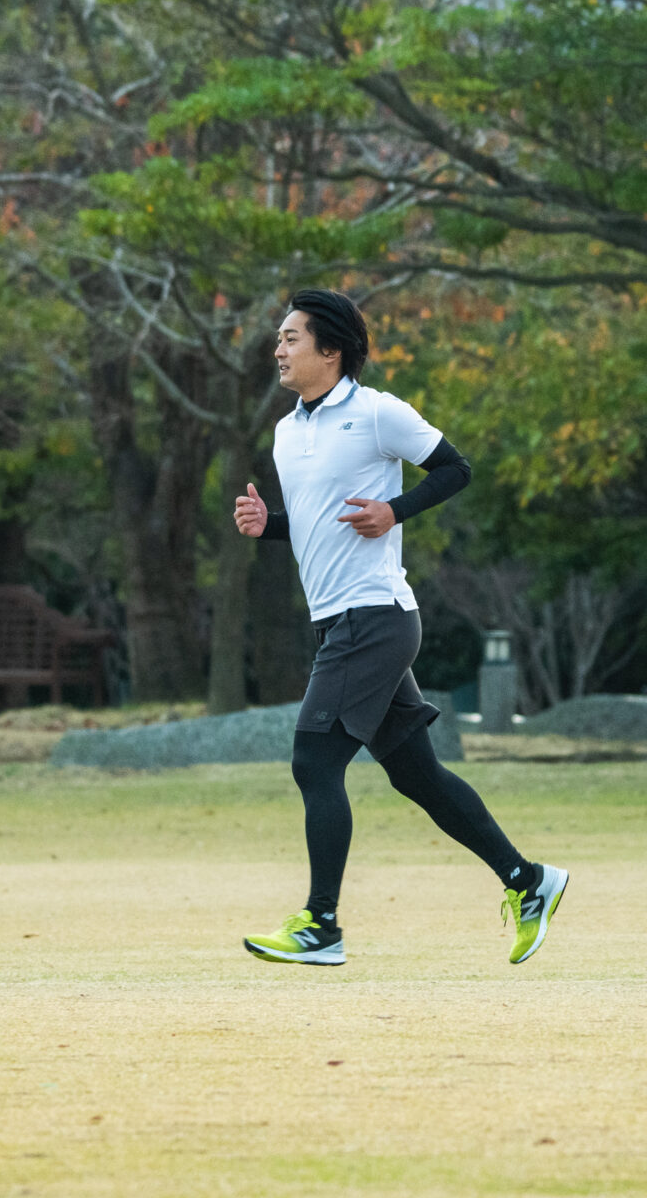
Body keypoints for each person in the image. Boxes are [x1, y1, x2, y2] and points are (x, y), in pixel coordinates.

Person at [234, 288, 568, 968]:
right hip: (340, 623)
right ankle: (528, 881)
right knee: (417, 775)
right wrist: (269, 526)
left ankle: (321, 925)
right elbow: (320, 520)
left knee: (313, 760)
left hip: (376, 616)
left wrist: (396, 509)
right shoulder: (286, 432)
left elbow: (455, 468)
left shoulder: (378, 412)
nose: (279, 348)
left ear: (331, 349)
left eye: (292, 337)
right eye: (279, 337)